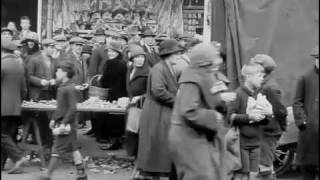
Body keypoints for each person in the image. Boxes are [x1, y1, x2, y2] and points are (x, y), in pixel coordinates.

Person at [169, 42, 235, 180]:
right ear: (204, 61)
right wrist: (214, 116)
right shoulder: (191, 79)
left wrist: (221, 102)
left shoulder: (204, 75)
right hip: (189, 137)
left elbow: (211, 100)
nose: (218, 63)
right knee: (201, 175)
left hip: (199, 135)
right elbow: (189, 111)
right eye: (213, 60)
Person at [137, 39, 187, 179]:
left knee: (160, 147)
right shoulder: (159, 68)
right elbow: (158, 91)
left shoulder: (166, 67)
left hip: (162, 111)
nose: (179, 56)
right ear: (168, 54)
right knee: (157, 146)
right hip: (157, 112)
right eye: (176, 53)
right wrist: (178, 101)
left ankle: (160, 173)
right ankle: (155, 174)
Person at [38, 62, 87, 180]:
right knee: (73, 147)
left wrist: (63, 123)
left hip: (66, 123)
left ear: (64, 73)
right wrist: (54, 119)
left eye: (58, 71)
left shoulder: (68, 88)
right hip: (65, 121)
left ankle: (48, 174)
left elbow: (72, 108)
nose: (56, 73)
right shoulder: (65, 87)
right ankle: (81, 173)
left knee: (58, 149)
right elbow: (60, 107)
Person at [249, 54, 288, 179]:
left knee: (264, 167)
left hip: (268, 132)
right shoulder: (263, 82)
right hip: (263, 130)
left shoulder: (270, 87)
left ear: (263, 68)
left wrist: (281, 127)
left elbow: (280, 111)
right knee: (263, 165)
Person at [228, 63, 269, 180]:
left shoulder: (259, 94)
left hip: (256, 142)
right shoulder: (238, 94)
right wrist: (249, 117)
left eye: (263, 76)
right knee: (243, 175)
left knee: (254, 174)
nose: (262, 78)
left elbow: (265, 121)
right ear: (248, 77)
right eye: (259, 75)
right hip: (242, 144)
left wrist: (267, 115)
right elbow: (230, 117)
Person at [1, 40, 28, 173]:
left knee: (3, 136)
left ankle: (18, 158)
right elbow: (24, 90)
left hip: (2, 107)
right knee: (8, 136)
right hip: (15, 108)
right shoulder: (19, 65)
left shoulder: (2, 64)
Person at [293, 46, 319, 180]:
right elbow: (297, 102)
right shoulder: (305, 78)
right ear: (315, 60)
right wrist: (302, 122)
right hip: (310, 133)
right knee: (308, 170)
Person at [125, 44, 150, 179]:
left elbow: (152, 92)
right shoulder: (130, 69)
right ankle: (136, 161)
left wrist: (139, 97)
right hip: (133, 107)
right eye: (137, 57)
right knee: (132, 133)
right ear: (132, 59)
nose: (140, 60)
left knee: (140, 135)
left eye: (142, 57)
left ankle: (140, 166)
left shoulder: (148, 72)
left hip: (143, 108)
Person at [97, 41, 127, 150]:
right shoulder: (123, 62)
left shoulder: (111, 63)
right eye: (109, 51)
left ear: (117, 52)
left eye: (112, 51)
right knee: (118, 117)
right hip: (122, 93)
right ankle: (118, 140)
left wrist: (102, 78)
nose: (110, 53)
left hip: (113, 93)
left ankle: (113, 143)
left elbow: (106, 81)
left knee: (111, 117)